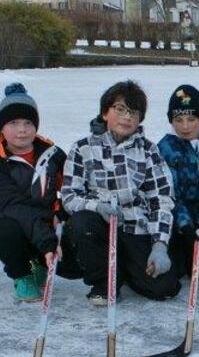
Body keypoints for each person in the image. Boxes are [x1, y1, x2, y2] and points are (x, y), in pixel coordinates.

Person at [61, 80, 181, 305]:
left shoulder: (148, 150)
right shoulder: (82, 149)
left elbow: (161, 199)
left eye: (134, 112)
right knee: (82, 223)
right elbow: (69, 196)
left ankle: (126, 269)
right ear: (105, 112)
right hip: (100, 227)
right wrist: (97, 207)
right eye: (120, 109)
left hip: (136, 228)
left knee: (164, 287)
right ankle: (104, 281)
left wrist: (159, 245)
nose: (127, 117)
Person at [0, 84, 82, 301]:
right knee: (4, 231)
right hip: (14, 221)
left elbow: (71, 189)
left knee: (75, 267)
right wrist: (46, 241)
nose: (22, 130)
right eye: (13, 123)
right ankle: (22, 274)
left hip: (47, 223)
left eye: (28, 123)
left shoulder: (53, 155)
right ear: (1, 127)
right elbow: (15, 207)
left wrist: (62, 211)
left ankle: (40, 263)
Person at [158, 85, 199, 281]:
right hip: (177, 220)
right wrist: (185, 225)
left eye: (191, 119)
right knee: (175, 271)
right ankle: (176, 241)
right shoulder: (165, 147)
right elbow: (170, 191)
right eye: (178, 120)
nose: (185, 126)